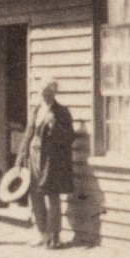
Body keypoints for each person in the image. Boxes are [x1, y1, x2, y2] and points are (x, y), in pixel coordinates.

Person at [21, 80, 74, 248]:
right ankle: (42, 232)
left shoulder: (61, 112)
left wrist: (54, 125)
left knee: (52, 195)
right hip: (34, 155)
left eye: (48, 92)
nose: (44, 95)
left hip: (51, 158)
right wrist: (21, 157)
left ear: (54, 92)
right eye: (42, 92)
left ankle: (54, 236)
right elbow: (28, 133)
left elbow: (69, 137)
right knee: (35, 193)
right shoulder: (35, 109)